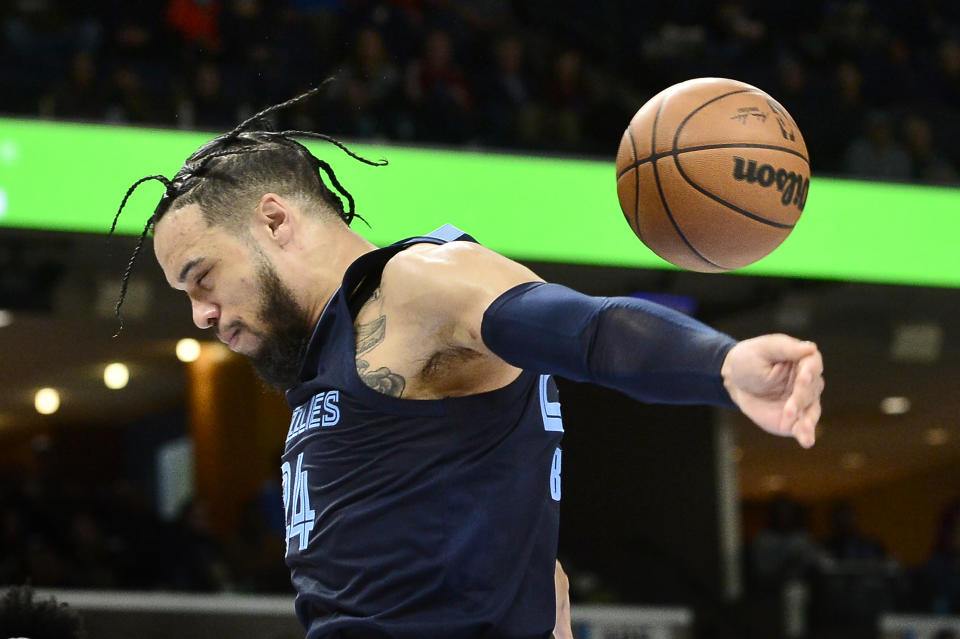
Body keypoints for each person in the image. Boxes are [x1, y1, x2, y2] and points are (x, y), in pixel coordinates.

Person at [110, 86, 823, 639]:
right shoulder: (331, 349)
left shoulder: (416, 285)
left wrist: (724, 366)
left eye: (201, 277)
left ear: (273, 220)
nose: (200, 313)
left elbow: (587, 329)